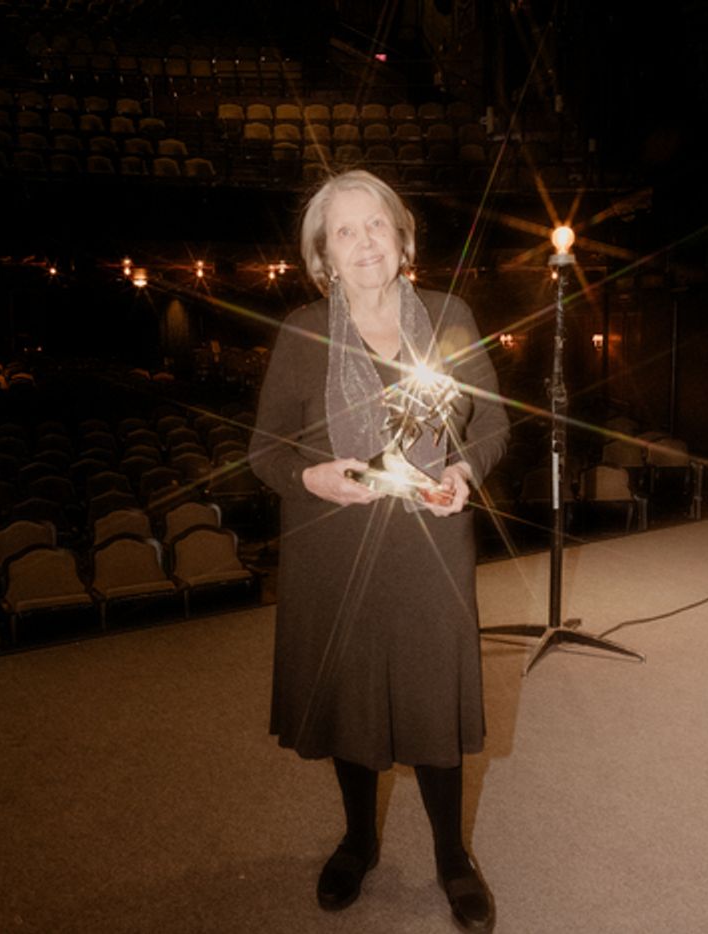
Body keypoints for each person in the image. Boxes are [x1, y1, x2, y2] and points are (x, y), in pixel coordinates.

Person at [249, 170, 508, 931]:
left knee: (432, 696)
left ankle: (451, 856)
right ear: (323, 255)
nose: (364, 242)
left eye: (376, 226)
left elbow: (492, 423)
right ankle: (359, 840)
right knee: (352, 700)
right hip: (335, 548)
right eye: (344, 231)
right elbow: (263, 452)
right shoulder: (301, 332)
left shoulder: (450, 314)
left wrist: (464, 468)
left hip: (430, 545)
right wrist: (310, 477)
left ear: (404, 238)